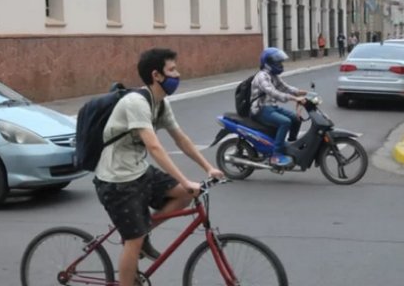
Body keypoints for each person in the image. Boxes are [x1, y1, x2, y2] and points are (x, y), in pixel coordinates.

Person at [93, 48, 224, 286]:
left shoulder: (161, 103)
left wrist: (208, 167)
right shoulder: (136, 102)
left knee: (183, 195)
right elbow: (154, 147)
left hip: (138, 171)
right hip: (116, 181)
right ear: (157, 75)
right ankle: (135, 246)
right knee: (133, 240)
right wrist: (186, 180)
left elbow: (181, 139)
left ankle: (142, 232)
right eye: (172, 69)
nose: (178, 74)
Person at [250, 47, 307, 167]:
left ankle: (291, 147)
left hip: (271, 107)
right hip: (261, 109)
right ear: (269, 63)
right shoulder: (262, 76)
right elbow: (273, 92)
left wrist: (300, 92)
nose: (280, 64)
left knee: (296, 118)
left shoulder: (273, 75)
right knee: (285, 122)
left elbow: (284, 87)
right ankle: (276, 156)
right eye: (278, 62)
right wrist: (294, 98)